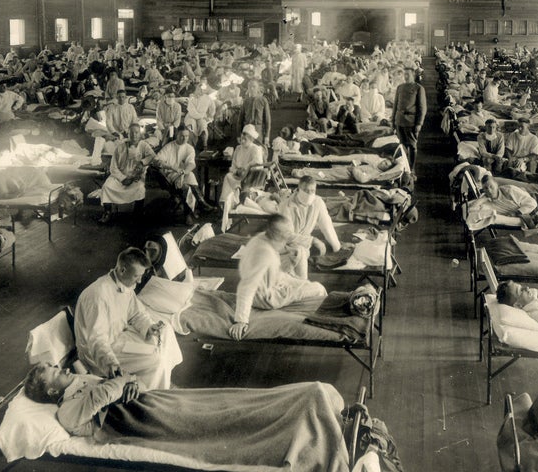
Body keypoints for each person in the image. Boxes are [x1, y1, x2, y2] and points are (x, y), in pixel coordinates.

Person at [22, 366, 349, 472]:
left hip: (151, 401)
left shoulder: (80, 381)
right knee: (222, 423)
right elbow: (104, 395)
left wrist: (127, 381)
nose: (61, 367)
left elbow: (121, 383)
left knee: (227, 402)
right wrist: (121, 382)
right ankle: (306, 421)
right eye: (54, 371)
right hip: (138, 420)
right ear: (51, 392)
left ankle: (311, 401)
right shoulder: (65, 410)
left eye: (55, 364)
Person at [74, 247, 183, 390]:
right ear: (122, 270)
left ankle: (162, 379)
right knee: (155, 359)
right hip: (100, 355)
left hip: (118, 338)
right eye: (136, 276)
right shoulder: (98, 296)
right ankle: (155, 393)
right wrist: (110, 363)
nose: (138, 282)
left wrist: (149, 327)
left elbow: (137, 314)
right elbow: (97, 340)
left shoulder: (124, 284)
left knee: (166, 330)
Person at [228, 215, 327, 341]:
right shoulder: (264, 254)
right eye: (284, 237)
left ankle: (305, 294)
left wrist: (313, 240)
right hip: (268, 297)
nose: (287, 239)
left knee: (301, 265)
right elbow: (246, 287)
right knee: (319, 288)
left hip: (275, 280)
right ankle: (322, 320)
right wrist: (241, 321)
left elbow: (290, 235)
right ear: (278, 236)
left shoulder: (262, 237)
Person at [277, 176, 342, 278]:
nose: (310, 194)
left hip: (303, 244)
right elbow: (287, 235)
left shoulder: (318, 202)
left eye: (313, 191)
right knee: (299, 256)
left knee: (302, 252)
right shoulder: (285, 206)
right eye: (306, 190)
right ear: (299, 189)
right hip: (285, 245)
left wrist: (337, 247)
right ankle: (302, 284)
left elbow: (327, 225)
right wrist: (313, 240)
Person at [98, 124, 154, 224]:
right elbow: (113, 168)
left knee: (140, 188)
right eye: (131, 132)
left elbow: (152, 156)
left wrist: (142, 162)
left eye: (136, 132)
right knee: (106, 186)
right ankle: (107, 212)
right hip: (119, 176)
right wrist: (123, 179)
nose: (134, 135)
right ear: (128, 134)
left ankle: (137, 213)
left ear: (140, 134)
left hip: (135, 176)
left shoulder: (144, 145)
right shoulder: (120, 147)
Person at [153, 128, 209, 223]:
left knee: (190, 175)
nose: (184, 138)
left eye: (187, 136)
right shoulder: (169, 147)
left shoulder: (189, 148)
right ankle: (189, 213)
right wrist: (171, 167)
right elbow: (156, 160)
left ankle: (201, 203)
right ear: (176, 135)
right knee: (186, 188)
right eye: (182, 136)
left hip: (183, 173)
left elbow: (191, 164)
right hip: (171, 174)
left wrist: (182, 173)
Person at [220, 124, 266, 205]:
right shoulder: (238, 148)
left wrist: (246, 168)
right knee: (228, 176)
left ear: (251, 139)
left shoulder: (256, 149)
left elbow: (258, 165)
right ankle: (226, 203)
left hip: (249, 177)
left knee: (231, 179)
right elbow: (233, 165)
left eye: (245, 139)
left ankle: (234, 201)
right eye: (242, 138)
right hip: (237, 175)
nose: (243, 141)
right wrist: (235, 171)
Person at [393, 67, 426, 170]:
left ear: (413, 75)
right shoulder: (400, 87)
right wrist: (393, 121)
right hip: (399, 120)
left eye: (408, 74)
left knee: (412, 146)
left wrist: (419, 124)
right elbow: (395, 105)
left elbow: (422, 107)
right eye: (405, 74)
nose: (406, 76)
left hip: (411, 122)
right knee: (402, 146)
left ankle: (412, 169)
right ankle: (404, 168)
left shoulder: (418, 88)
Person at [184, 81, 215, 149]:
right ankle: (191, 146)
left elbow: (212, 107)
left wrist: (210, 116)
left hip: (202, 117)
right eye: (199, 89)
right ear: (196, 89)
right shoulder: (192, 97)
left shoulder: (207, 98)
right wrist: (202, 116)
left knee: (203, 126)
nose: (201, 91)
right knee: (191, 126)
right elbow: (192, 111)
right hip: (191, 116)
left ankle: (204, 145)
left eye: (202, 89)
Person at [240, 79, 271, 146]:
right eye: (250, 87)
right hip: (247, 129)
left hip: (258, 130)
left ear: (258, 88)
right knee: (246, 150)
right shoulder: (245, 101)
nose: (252, 88)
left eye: (254, 86)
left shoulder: (263, 100)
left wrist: (267, 136)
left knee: (258, 150)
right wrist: (238, 134)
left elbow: (267, 120)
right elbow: (240, 120)